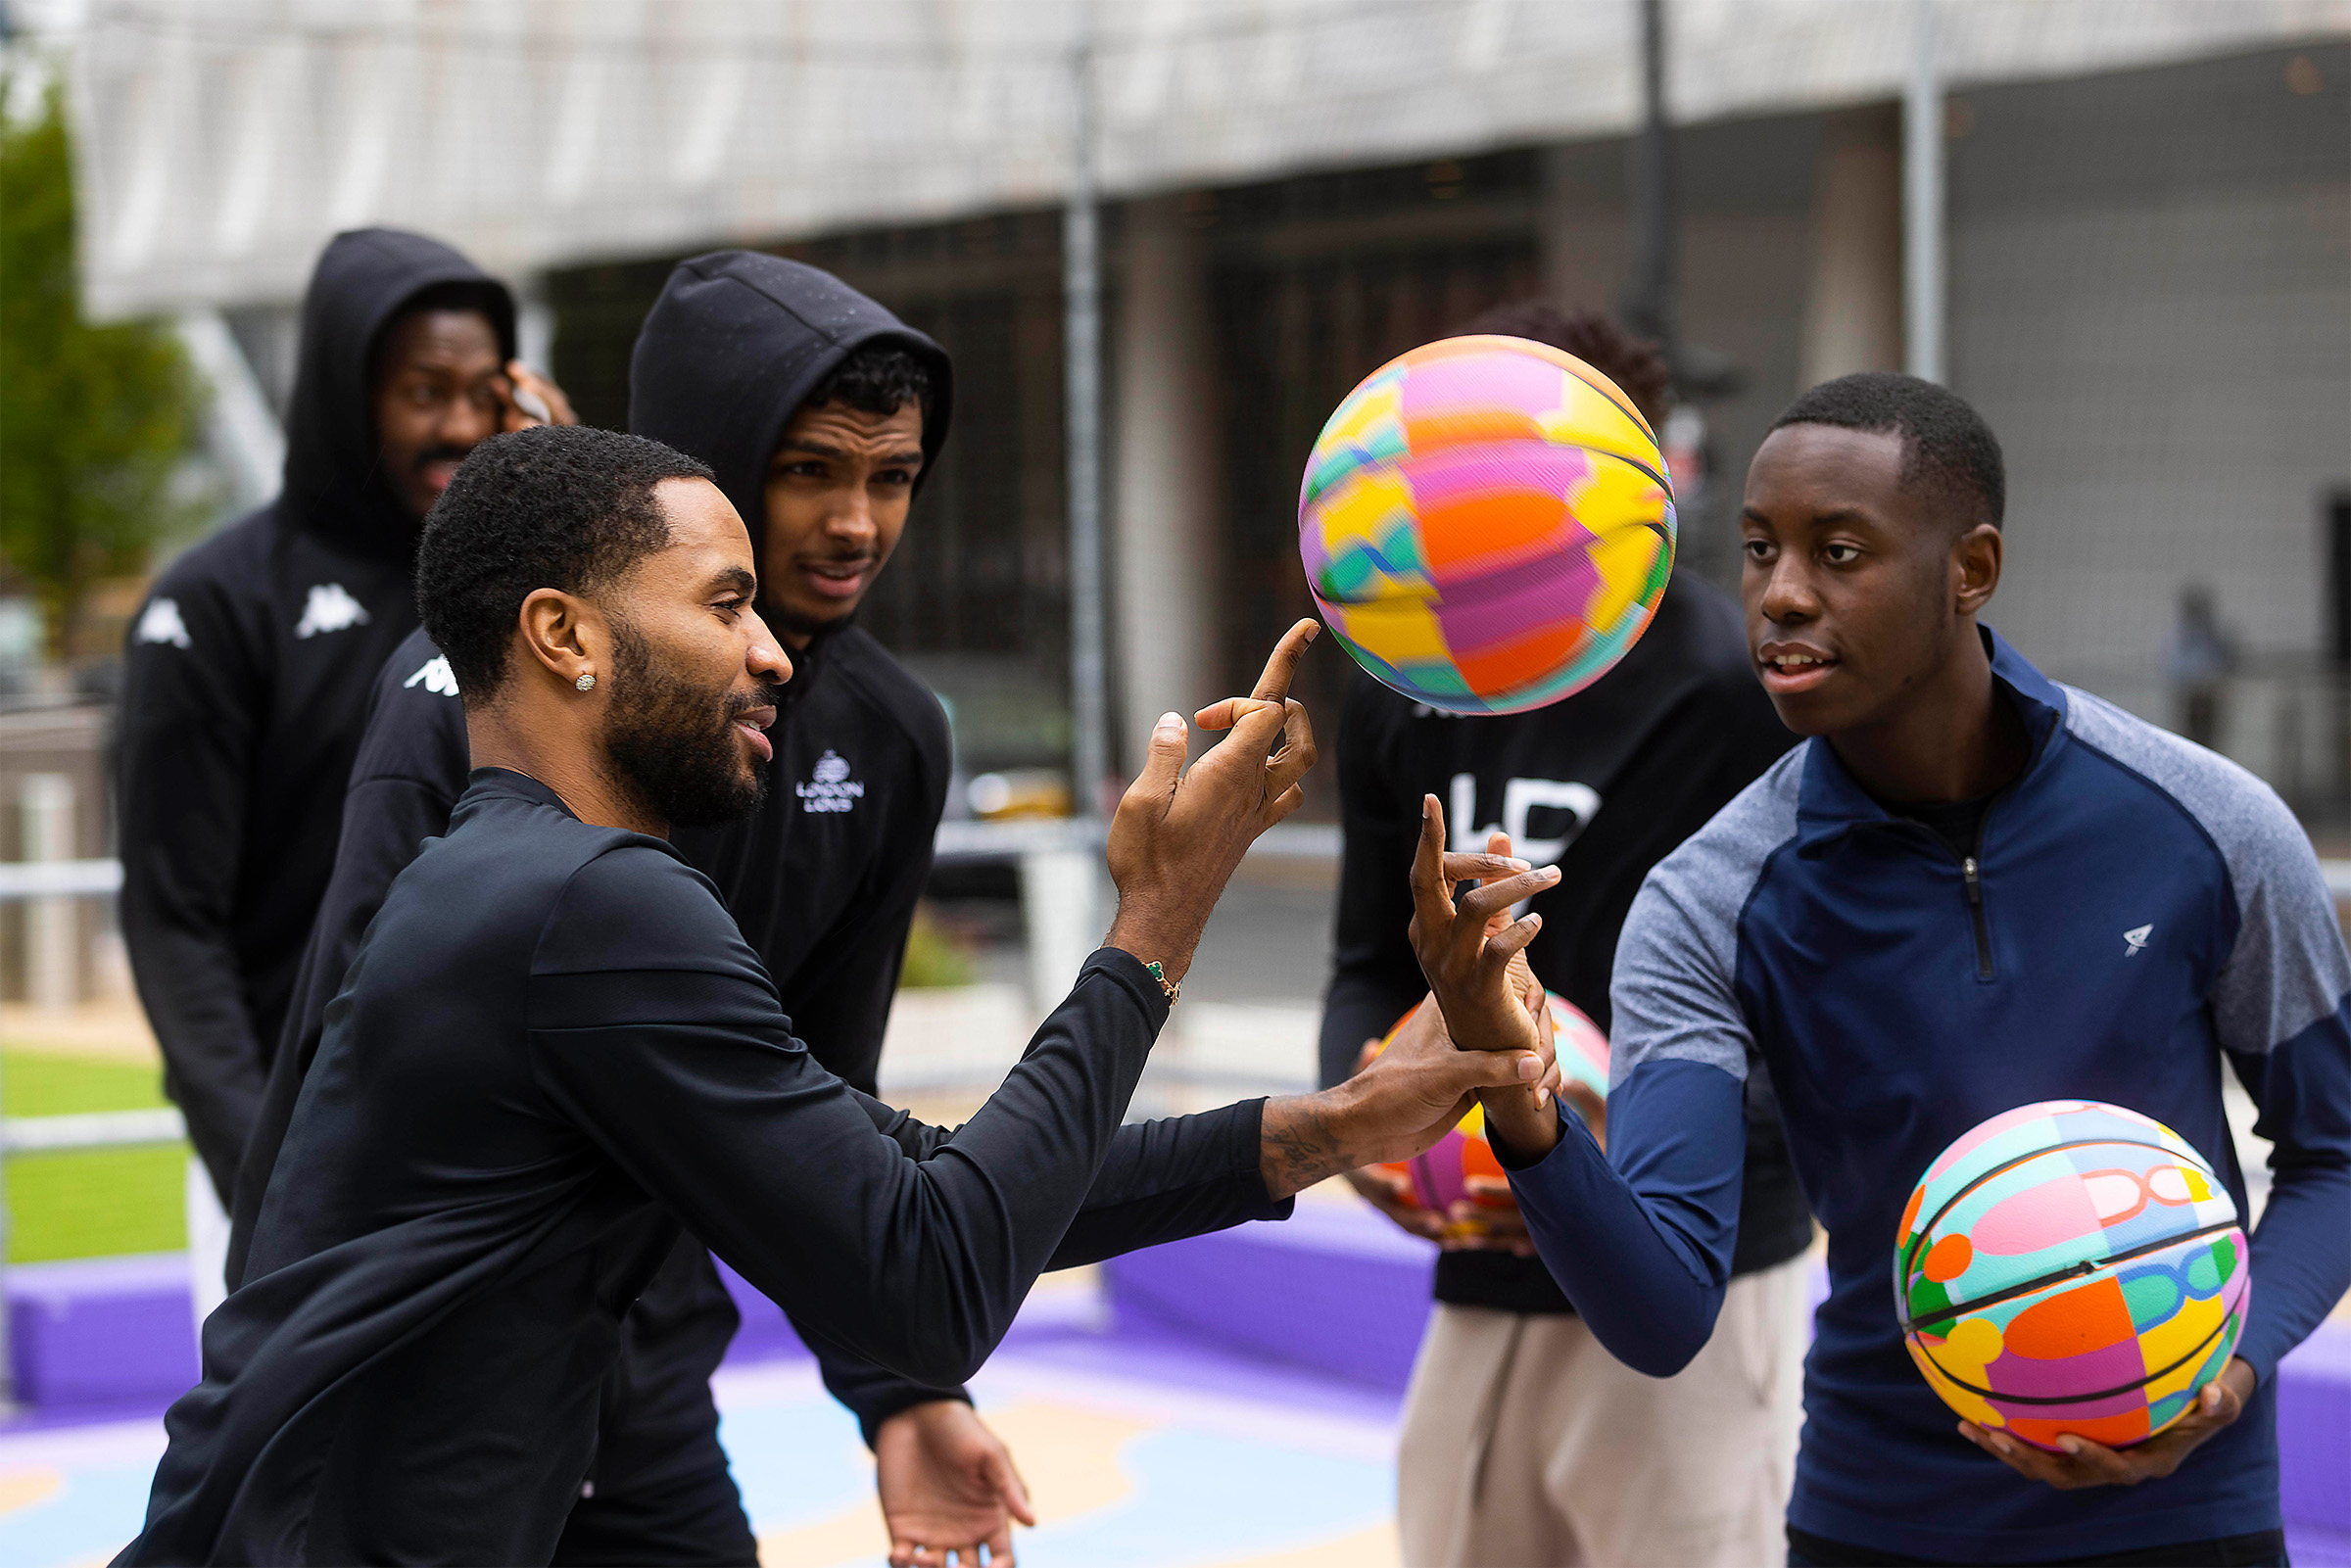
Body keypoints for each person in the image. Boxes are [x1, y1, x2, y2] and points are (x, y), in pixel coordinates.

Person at [122, 424, 1561, 1566]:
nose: (770, 649)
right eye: (725, 602)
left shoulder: (524, 885)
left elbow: (921, 1186)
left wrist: (1335, 1124)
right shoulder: (589, 903)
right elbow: (929, 1282)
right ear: (565, 636)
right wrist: (1159, 918)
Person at [1426, 372, 2351, 1566]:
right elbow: (1661, 1314)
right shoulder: (1710, 902)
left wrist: (2230, 1368)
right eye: (1759, 548)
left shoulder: (2209, 823)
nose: (1781, 593)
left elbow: (2335, 1151)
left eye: (1840, 551)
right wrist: (1518, 1091)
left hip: (2190, 1514)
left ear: (1971, 569)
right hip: (1880, 1519)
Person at [229, 254, 1012, 1565]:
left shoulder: (892, 737)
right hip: (407, 1394)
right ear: (710, 460)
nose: (856, 524)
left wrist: (903, 1389)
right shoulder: (471, 692)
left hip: (642, 1383)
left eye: (893, 477)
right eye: (811, 469)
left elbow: (825, 1099)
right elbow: (342, 1081)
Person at [1321, 302, 1813, 1567]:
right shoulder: (1400, 679)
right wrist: (1368, 1128)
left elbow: (1813, 1005)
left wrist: (1590, 1137)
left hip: (1693, 1265)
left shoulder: (1738, 686)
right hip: (1482, 1271)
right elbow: (1366, 961)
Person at [116, 228, 572, 1323]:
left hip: (510, 1152)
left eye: (483, 391)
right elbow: (175, 923)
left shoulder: (537, 595)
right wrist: (267, 1172)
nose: (459, 425)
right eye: (424, 392)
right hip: (286, 1162)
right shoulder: (215, 604)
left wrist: (562, 499)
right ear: (340, 393)